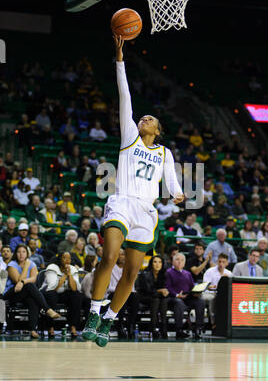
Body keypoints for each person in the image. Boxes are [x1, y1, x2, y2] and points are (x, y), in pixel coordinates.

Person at [82, 35, 184, 348]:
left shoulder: (165, 153)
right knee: (110, 256)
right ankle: (94, 313)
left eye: (150, 119)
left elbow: (173, 183)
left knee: (131, 275)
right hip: (122, 202)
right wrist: (119, 59)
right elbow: (124, 95)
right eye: (143, 117)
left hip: (146, 211)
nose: (144, 118)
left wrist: (179, 195)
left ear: (159, 130)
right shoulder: (130, 136)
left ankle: (109, 320)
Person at [3, 244, 60, 338]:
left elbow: (34, 279)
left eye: (23, 252)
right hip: (12, 294)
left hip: (26, 293)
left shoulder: (32, 264)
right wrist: (25, 267)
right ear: (15, 254)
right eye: (19, 252)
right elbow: (18, 282)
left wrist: (23, 281)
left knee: (32, 299)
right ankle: (47, 309)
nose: (21, 254)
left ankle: (32, 330)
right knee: (29, 286)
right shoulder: (11, 265)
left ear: (27, 253)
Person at [41, 252, 82, 338]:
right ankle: (50, 327)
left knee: (76, 296)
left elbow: (74, 288)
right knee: (51, 295)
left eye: (69, 258)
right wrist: (64, 276)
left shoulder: (73, 269)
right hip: (50, 292)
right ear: (60, 259)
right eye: (64, 258)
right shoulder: (52, 267)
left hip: (64, 293)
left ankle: (73, 327)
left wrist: (69, 275)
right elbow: (53, 287)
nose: (67, 260)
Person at [166, 253, 205, 340]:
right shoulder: (168, 272)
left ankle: (198, 329)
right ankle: (179, 330)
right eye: (177, 259)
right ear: (173, 261)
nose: (180, 262)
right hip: (174, 298)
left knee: (200, 301)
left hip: (187, 297)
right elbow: (167, 287)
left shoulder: (187, 273)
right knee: (179, 303)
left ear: (184, 263)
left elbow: (191, 287)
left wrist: (196, 292)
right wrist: (177, 295)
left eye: (182, 260)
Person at [136, 255, 169, 339]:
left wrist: (165, 291)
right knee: (156, 300)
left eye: (160, 262)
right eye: (155, 262)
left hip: (157, 297)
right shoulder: (145, 274)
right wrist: (160, 291)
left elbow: (165, 287)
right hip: (144, 297)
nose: (157, 264)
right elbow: (147, 290)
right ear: (151, 264)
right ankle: (153, 328)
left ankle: (163, 329)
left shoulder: (164, 274)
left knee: (163, 300)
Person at [202, 253, 232, 332]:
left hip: (223, 295)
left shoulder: (229, 273)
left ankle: (228, 323)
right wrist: (210, 286)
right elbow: (205, 285)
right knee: (213, 298)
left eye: (223, 262)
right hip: (209, 293)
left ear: (227, 263)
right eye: (219, 261)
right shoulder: (210, 271)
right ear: (217, 262)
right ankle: (213, 323)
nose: (221, 264)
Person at [0, 245, 12, 326]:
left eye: (8, 251)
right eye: (3, 251)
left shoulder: (14, 264)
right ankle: (1, 325)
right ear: (1, 253)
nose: (6, 253)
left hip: (11, 289)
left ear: (11, 253)